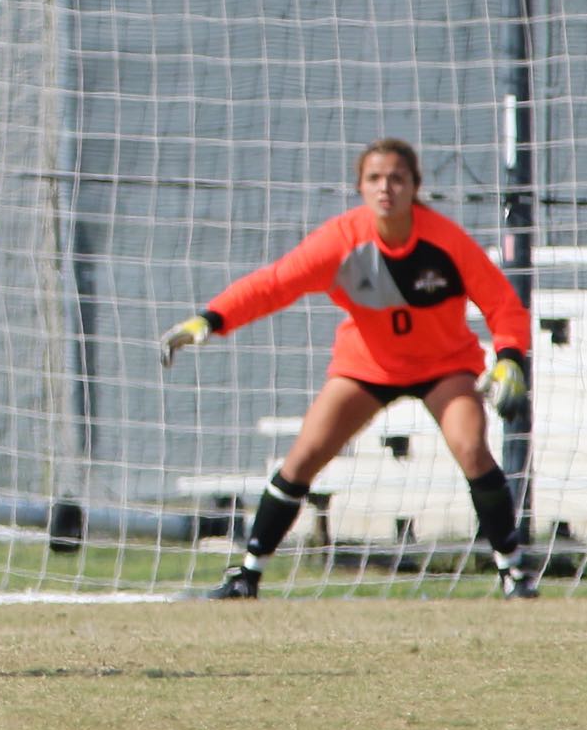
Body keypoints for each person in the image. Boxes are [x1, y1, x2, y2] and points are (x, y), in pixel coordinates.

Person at [162, 138, 539, 599]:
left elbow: (503, 305)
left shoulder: (444, 241)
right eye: (375, 179)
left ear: (415, 186)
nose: (386, 188)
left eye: (397, 178)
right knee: (304, 456)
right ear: (360, 186)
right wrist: (211, 318)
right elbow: (274, 284)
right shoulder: (342, 241)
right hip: (367, 367)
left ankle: (514, 572)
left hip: (444, 367)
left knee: (471, 448)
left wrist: (509, 359)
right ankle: (247, 575)